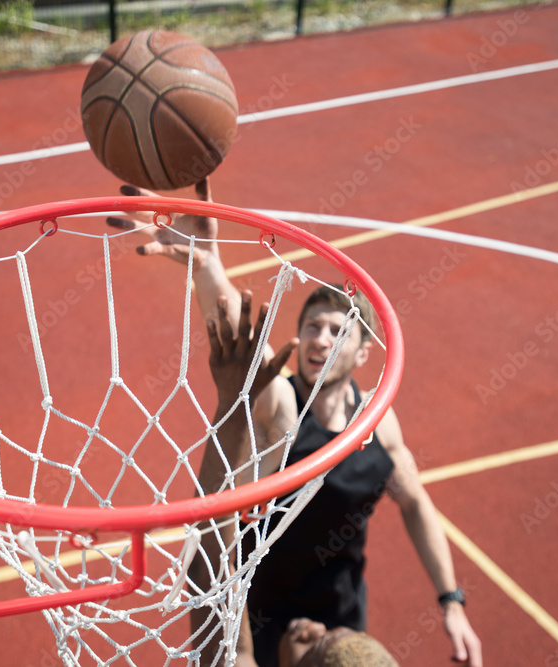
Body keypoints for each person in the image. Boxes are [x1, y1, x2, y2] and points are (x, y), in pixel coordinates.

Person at [108, 180, 482, 667]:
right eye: (311, 326)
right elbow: (250, 352)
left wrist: (451, 602)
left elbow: (414, 502)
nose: (319, 339)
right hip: (261, 611)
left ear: (365, 352)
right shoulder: (283, 405)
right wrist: (208, 267)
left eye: (336, 330)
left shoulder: (377, 420)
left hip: (339, 611)